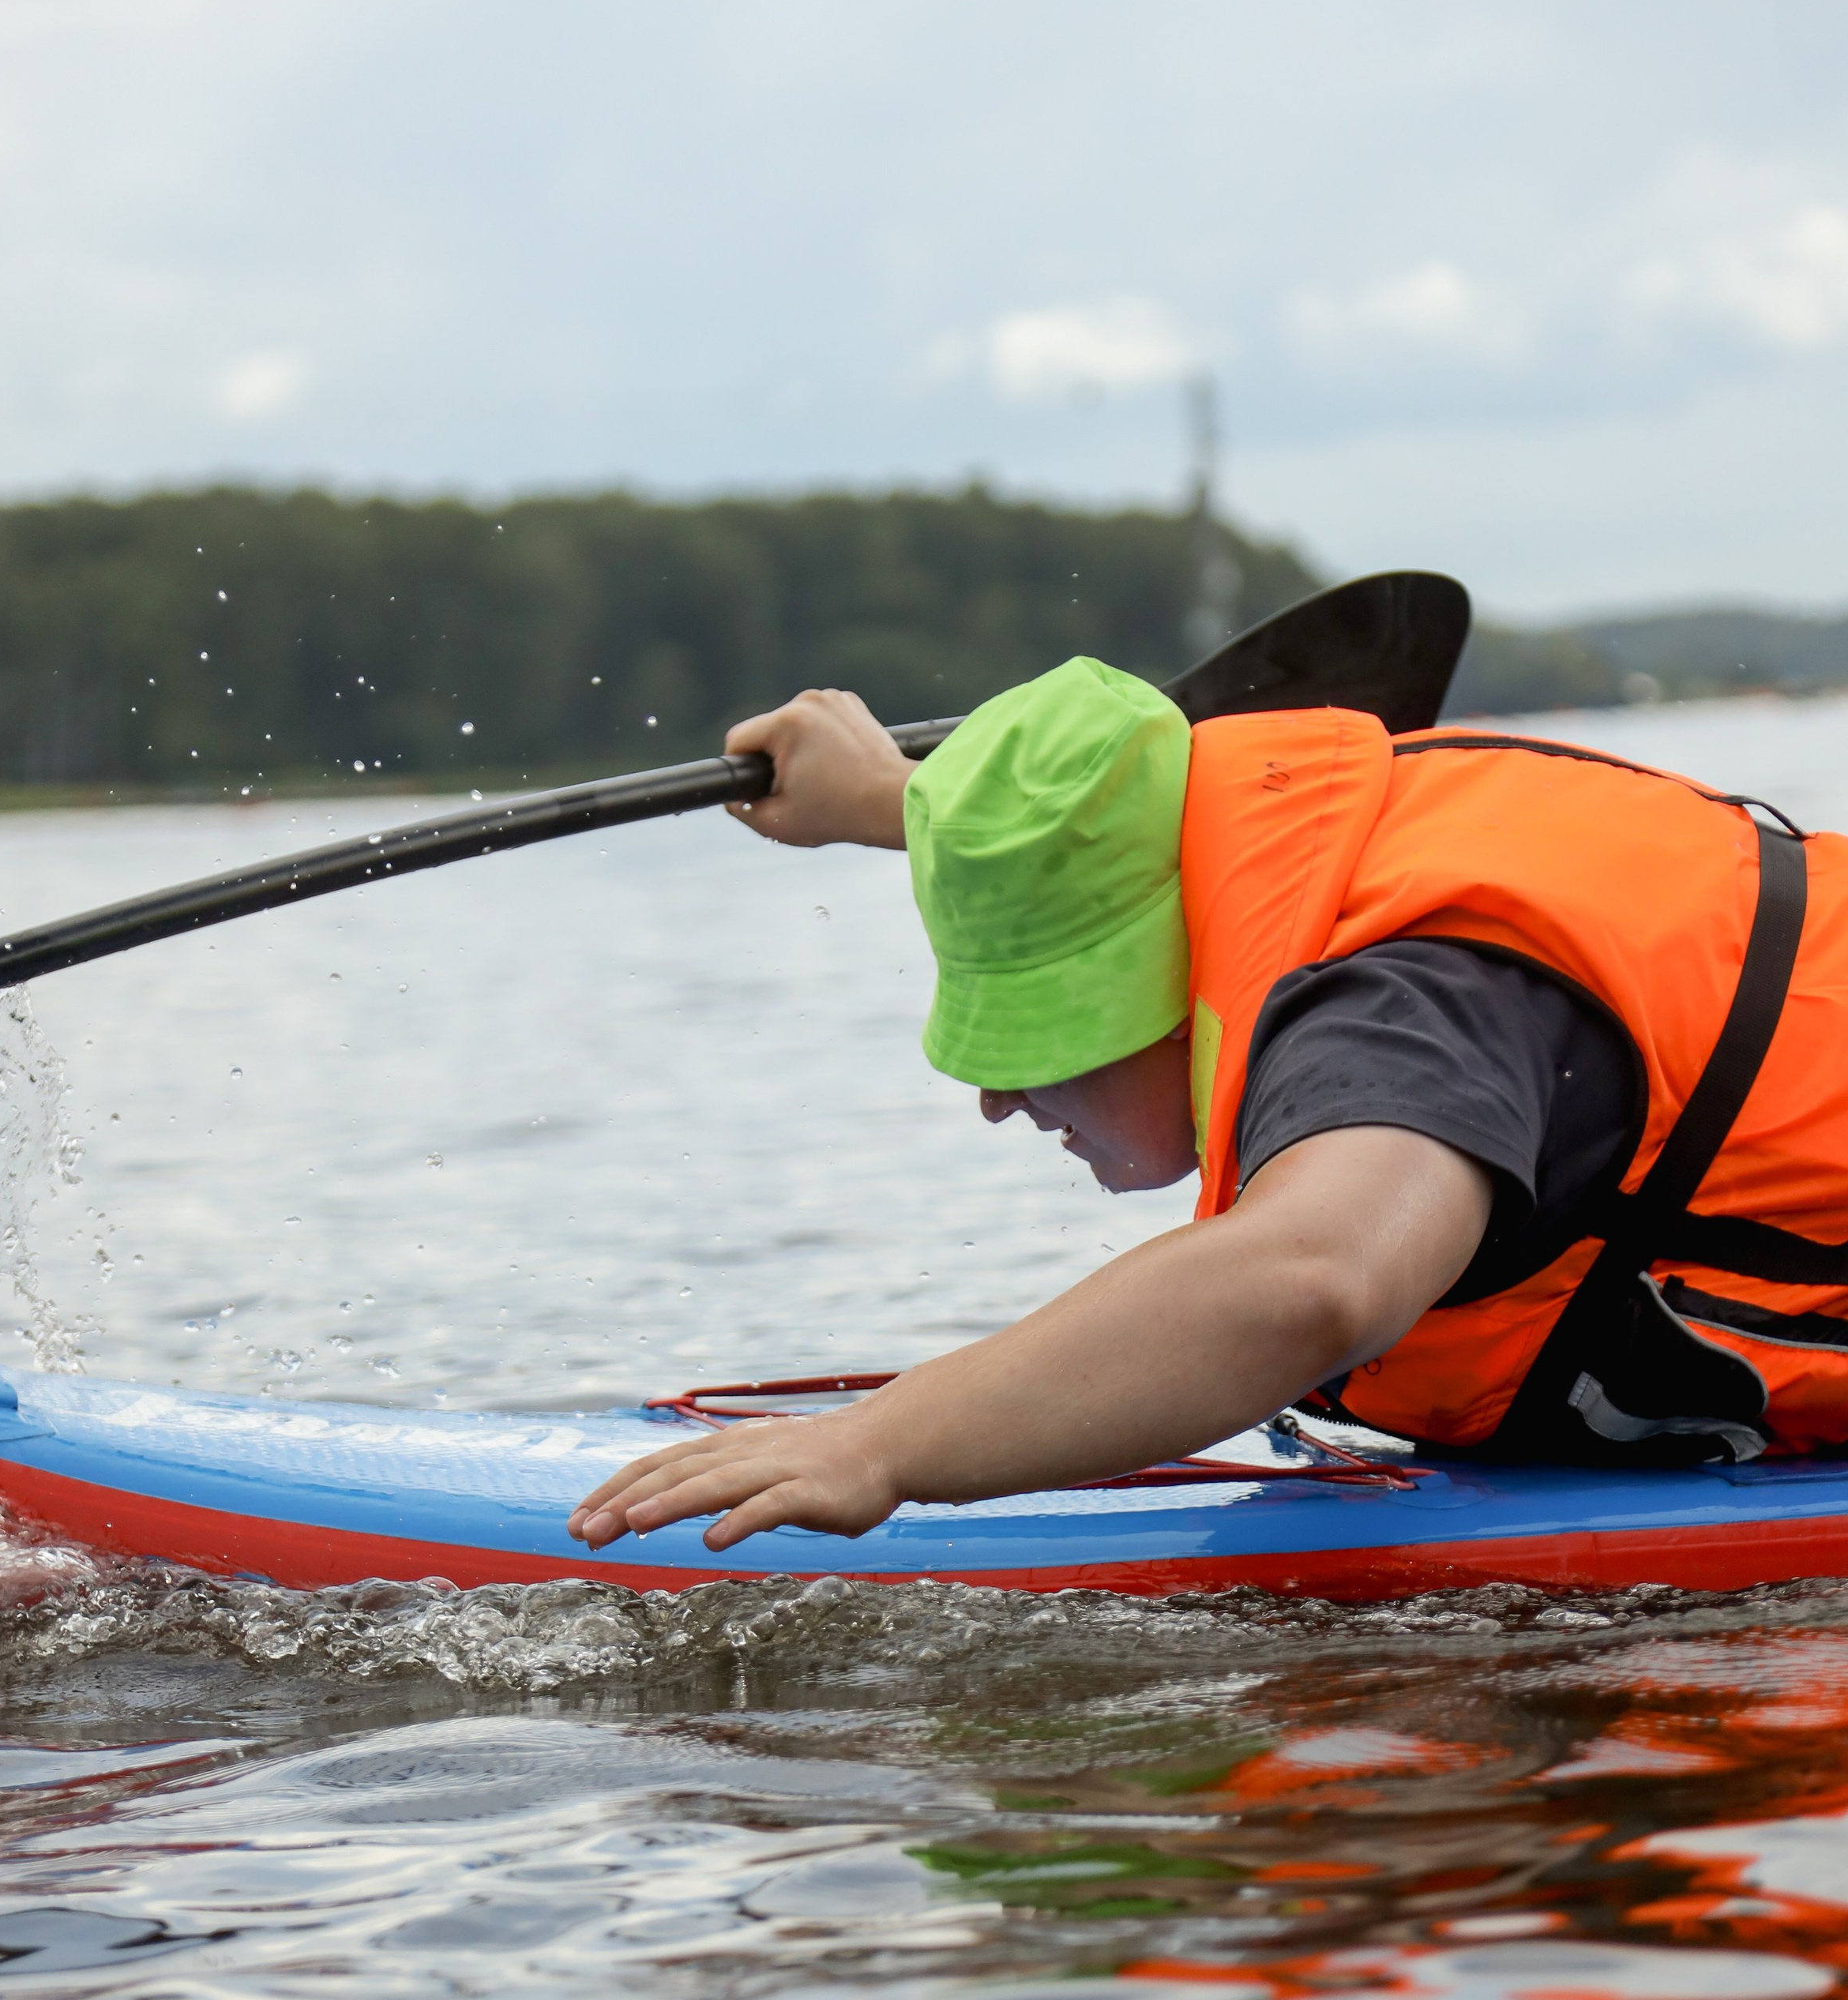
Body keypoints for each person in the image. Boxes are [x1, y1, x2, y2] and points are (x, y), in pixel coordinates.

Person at [570, 657, 1848, 1558]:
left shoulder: (1403, 1011)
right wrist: (901, 802)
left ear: (1167, 977)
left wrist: (884, 1446)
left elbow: (1307, 1283)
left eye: (1048, 1031)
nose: (1002, 1098)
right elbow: (1145, 841)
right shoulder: (1292, 844)